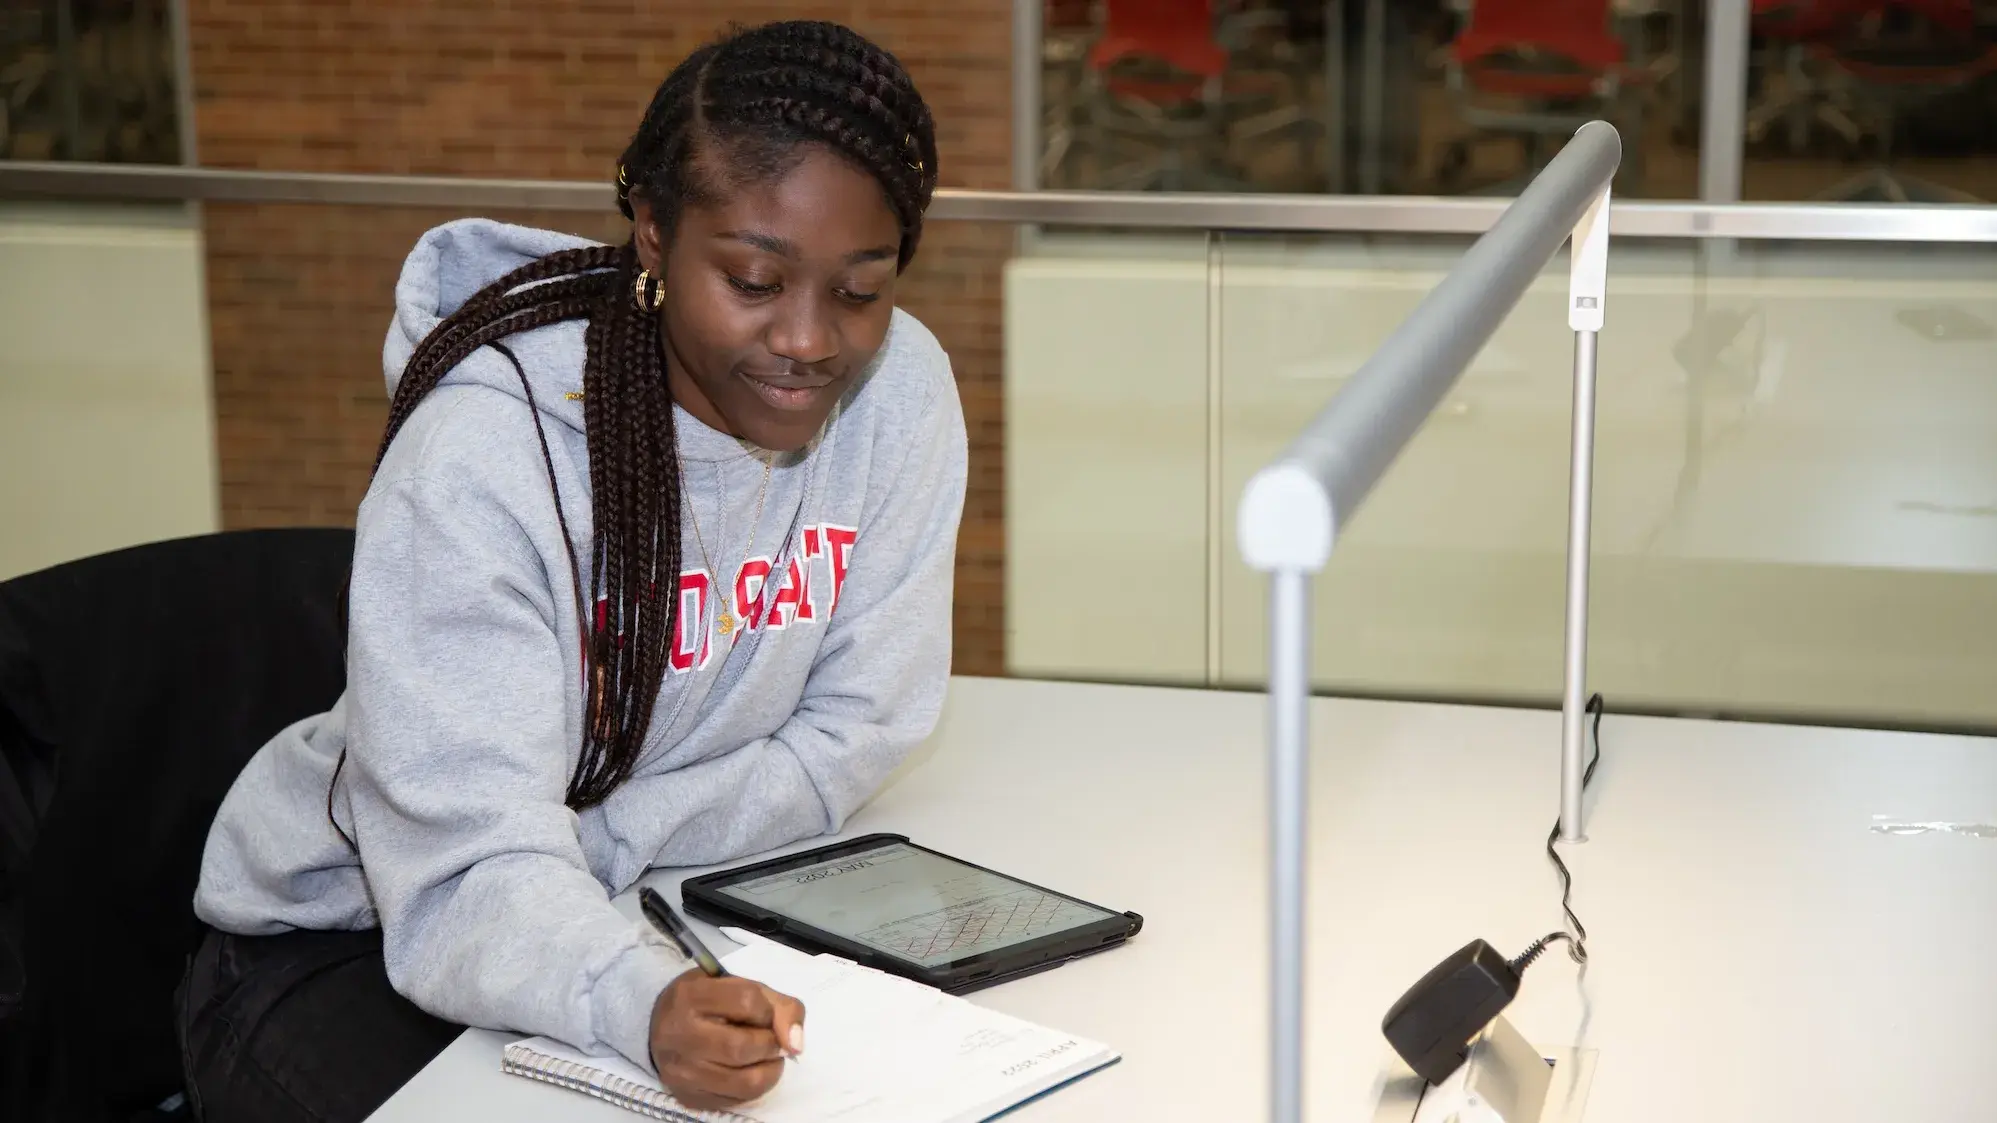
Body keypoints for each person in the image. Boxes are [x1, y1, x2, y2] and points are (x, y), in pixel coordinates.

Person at [176, 20, 964, 1123]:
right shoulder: (485, 454)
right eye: (753, 279)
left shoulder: (900, 394)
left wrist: (599, 850)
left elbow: (855, 730)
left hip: (649, 904)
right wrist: (631, 993)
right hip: (353, 937)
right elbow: (460, 867)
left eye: (859, 290)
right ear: (653, 233)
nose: (807, 339)